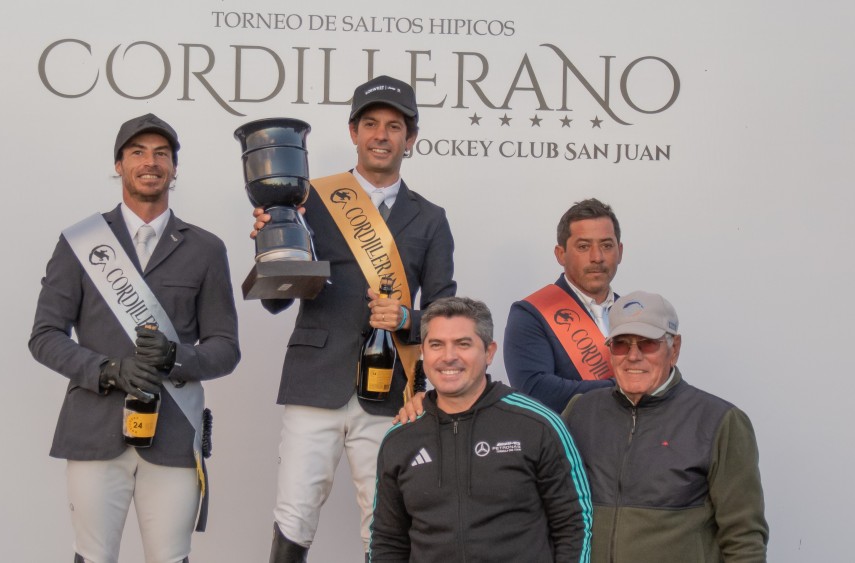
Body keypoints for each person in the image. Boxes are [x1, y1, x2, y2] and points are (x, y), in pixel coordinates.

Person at [254, 76, 456, 562]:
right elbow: (275, 303)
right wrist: (271, 245)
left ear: (411, 138)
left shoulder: (431, 218)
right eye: (370, 124)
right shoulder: (309, 199)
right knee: (294, 515)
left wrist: (406, 317)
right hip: (315, 380)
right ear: (353, 132)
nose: (381, 135)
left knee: (384, 521)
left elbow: (446, 315)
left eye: (394, 126)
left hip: (390, 392)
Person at [29, 113, 241, 563]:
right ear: (119, 164)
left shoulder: (206, 248)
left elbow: (225, 349)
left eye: (162, 154)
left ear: (174, 168)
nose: (150, 162)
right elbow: (45, 336)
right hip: (94, 428)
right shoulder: (81, 241)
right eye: (138, 152)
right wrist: (107, 370)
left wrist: (174, 357)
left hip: (173, 432)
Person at [370, 297, 593, 563]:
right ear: (423, 352)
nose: (448, 357)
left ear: (489, 352)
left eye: (463, 344)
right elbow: (387, 541)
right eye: (436, 345)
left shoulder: (538, 425)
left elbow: (575, 524)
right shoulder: (401, 437)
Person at [563, 291, 769, 563]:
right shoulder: (580, 411)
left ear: (675, 348)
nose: (633, 356)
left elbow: (744, 537)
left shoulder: (720, 421)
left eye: (647, 344)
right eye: (621, 344)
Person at [503, 198, 622, 412]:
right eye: (584, 246)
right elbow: (535, 391)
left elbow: (660, 378)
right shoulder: (532, 314)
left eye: (606, 245)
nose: (597, 257)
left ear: (620, 251)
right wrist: (623, 387)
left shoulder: (636, 313)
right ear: (561, 254)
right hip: (567, 433)